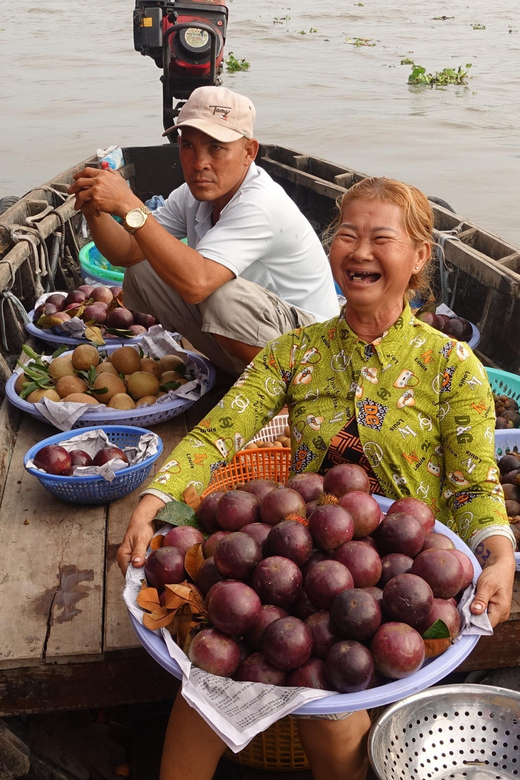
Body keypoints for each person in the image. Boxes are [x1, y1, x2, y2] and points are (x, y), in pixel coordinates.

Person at [117, 176, 516, 780]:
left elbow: (473, 485)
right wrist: (156, 500)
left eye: (381, 237)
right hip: (299, 565)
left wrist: (500, 553)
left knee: (332, 723)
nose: (359, 251)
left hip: (405, 587)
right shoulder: (295, 351)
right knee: (202, 694)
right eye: (347, 235)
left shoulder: (452, 365)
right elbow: (220, 432)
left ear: (419, 257)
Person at [67, 86, 339, 378]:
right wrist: (92, 209)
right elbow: (128, 252)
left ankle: (285, 390)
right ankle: (238, 372)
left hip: (314, 354)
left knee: (220, 296)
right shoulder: (193, 195)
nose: (199, 164)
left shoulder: (261, 203)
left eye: (216, 148)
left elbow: (198, 282)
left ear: (249, 152)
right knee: (143, 269)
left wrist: (129, 204)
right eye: (188, 146)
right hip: (268, 340)